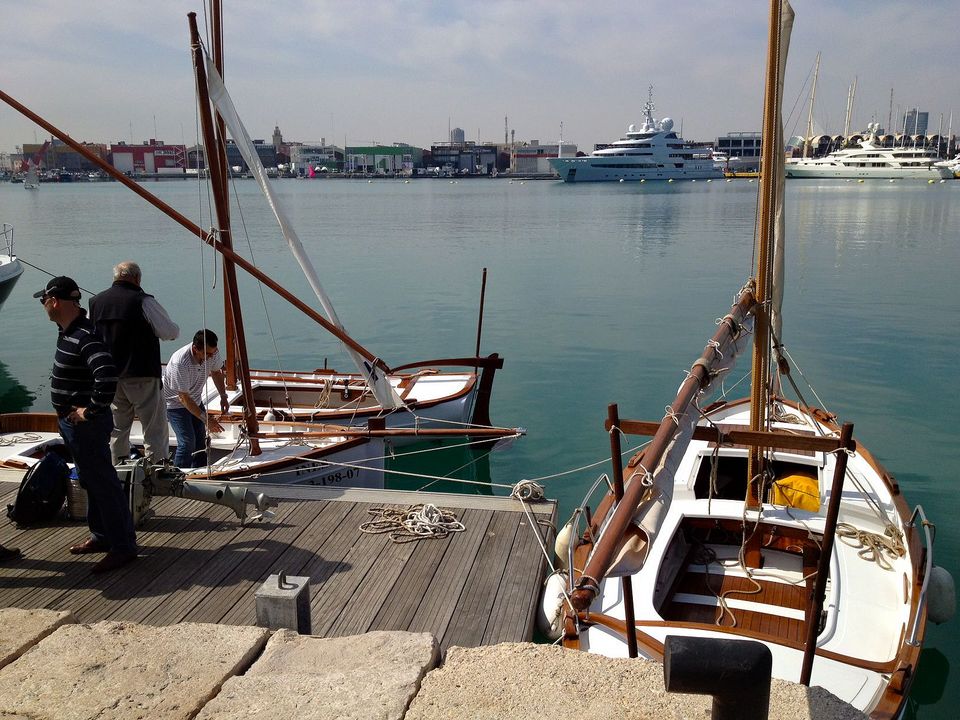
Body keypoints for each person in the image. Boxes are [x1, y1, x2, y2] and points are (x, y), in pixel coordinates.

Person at [35, 276, 137, 574]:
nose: (43, 306)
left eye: (44, 300)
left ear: (54, 301)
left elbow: (106, 376)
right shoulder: (68, 331)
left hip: (85, 426)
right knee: (91, 481)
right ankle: (103, 536)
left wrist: (89, 412)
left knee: (103, 483)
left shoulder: (85, 335)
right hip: (73, 425)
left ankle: (123, 546)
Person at [89, 261, 179, 464]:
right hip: (142, 374)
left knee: (117, 429)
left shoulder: (95, 302)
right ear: (137, 278)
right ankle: (157, 473)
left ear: (115, 277)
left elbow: (91, 338)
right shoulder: (143, 301)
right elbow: (169, 332)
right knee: (154, 429)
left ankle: (117, 470)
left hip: (109, 377)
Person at [163, 329, 229, 468]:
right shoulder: (180, 362)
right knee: (187, 442)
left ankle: (199, 471)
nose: (211, 357)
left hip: (196, 400)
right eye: (207, 354)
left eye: (213, 352)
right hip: (175, 404)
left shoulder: (213, 352)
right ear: (195, 348)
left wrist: (223, 396)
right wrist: (207, 420)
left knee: (201, 441)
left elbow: (216, 372)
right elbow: (183, 398)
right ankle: (178, 475)